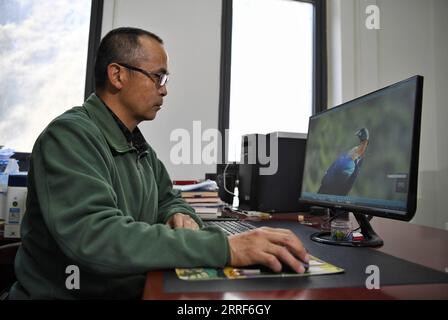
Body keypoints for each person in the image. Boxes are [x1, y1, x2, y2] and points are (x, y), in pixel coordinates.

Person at [10, 27, 309, 300]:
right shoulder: (69, 137)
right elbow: (96, 237)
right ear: (117, 75)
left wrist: (178, 214)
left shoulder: (138, 147)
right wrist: (226, 248)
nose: (164, 89)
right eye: (158, 77)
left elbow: (170, 199)